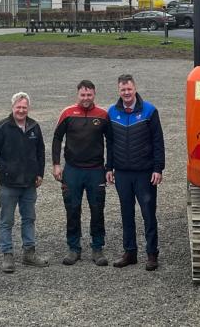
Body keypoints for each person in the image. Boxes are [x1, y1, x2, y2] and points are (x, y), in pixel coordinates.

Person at [0, 91, 49, 273]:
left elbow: (40, 152)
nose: (21, 110)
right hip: (9, 184)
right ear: (12, 107)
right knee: (7, 220)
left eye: (24, 107)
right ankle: (8, 255)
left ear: (29, 108)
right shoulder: (1, 127)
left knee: (29, 218)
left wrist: (39, 173)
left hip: (29, 183)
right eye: (18, 107)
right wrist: (3, 167)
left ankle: (29, 252)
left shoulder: (34, 126)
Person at [105, 74, 165, 271]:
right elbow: (110, 143)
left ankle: (151, 254)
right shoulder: (112, 112)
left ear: (135, 88)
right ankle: (130, 252)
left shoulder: (149, 111)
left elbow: (158, 142)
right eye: (123, 90)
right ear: (119, 91)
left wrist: (158, 168)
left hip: (144, 173)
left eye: (129, 89)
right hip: (122, 172)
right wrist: (109, 167)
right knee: (126, 213)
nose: (126, 93)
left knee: (148, 213)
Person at [52, 80, 111, 266]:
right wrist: (56, 164)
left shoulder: (103, 115)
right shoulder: (67, 113)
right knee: (72, 209)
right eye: (83, 95)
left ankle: (97, 248)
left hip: (95, 171)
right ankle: (74, 248)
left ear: (94, 94)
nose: (86, 98)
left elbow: (112, 141)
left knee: (97, 209)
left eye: (89, 95)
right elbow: (56, 137)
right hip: (72, 170)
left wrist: (110, 167)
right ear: (78, 94)